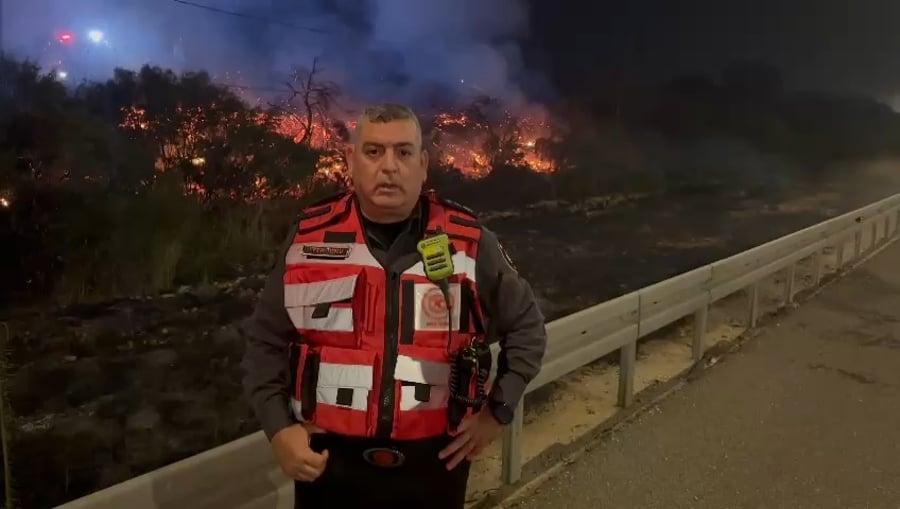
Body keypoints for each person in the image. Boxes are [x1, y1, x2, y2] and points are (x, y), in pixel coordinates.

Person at [241, 102, 547, 509]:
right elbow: (265, 340)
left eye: (403, 153)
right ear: (350, 160)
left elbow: (527, 328)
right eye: (374, 151)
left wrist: (497, 413)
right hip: (328, 464)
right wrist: (279, 429)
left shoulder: (470, 241)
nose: (389, 166)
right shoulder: (308, 239)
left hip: (434, 465)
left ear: (423, 164)